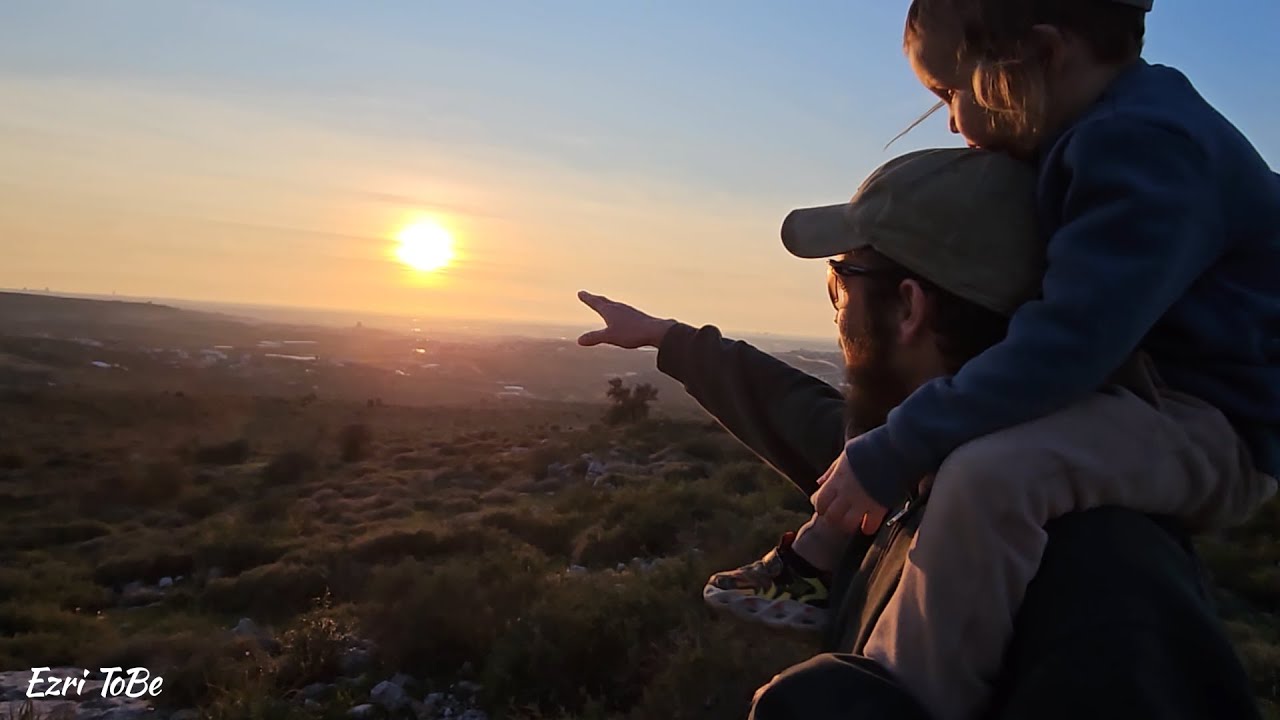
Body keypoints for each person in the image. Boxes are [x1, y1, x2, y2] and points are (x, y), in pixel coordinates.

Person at [700, 1, 1280, 717]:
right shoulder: (1101, 127)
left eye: (950, 92)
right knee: (937, 435)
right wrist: (677, 345)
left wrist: (900, 445)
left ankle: (901, 693)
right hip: (1143, 399)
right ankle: (814, 565)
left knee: (989, 472)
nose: (950, 121)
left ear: (1041, 55)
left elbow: (1066, 343)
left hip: (1212, 425)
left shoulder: (1143, 145)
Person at [577, 147, 1262, 719]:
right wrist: (669, 340)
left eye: (839, 282)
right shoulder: (918, 462)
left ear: (908, 307)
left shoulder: (1104, 576)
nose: (837, 309)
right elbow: (803, 418)